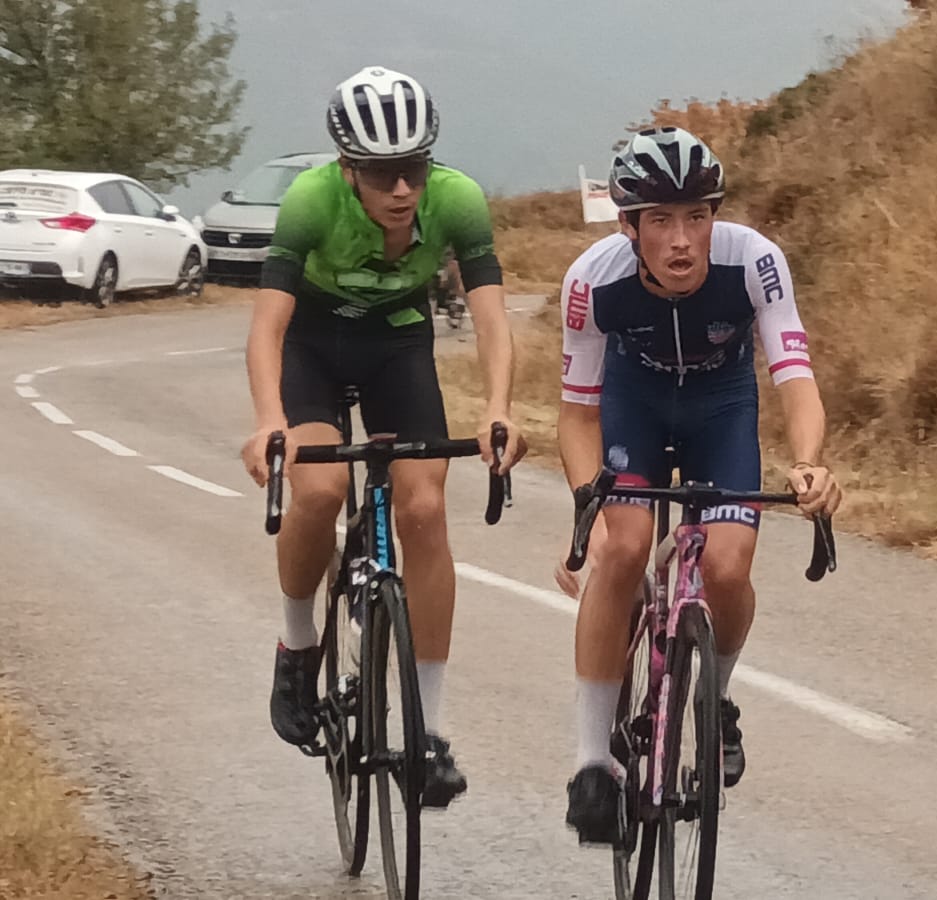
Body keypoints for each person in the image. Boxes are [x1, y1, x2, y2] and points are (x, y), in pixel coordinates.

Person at [239, 66, 525, 808]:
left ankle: (427, 729)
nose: (402, 189)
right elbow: (268, 326)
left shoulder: (458, 201)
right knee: (322, 487)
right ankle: (298, 646)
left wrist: (498, 407)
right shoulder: (310, 202)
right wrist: (270, 420)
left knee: (424, 510)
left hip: (398, 345)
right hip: (313, 350)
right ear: (347, 168)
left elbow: (492, 318)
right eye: (382, 173)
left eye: (414, 168)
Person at [553, 126, 843, 844]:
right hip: (635, 405)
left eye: (697, 216)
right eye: (660, 221)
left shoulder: (755, 261)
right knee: (623, 551)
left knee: (726, 563)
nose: (682, 240)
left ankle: (715, 694)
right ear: (628, 226)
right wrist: (588, 499)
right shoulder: (593, 280)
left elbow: (793, 374)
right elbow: (575, 412)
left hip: (720, 408)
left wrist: (809, 460)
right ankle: (593, 762)